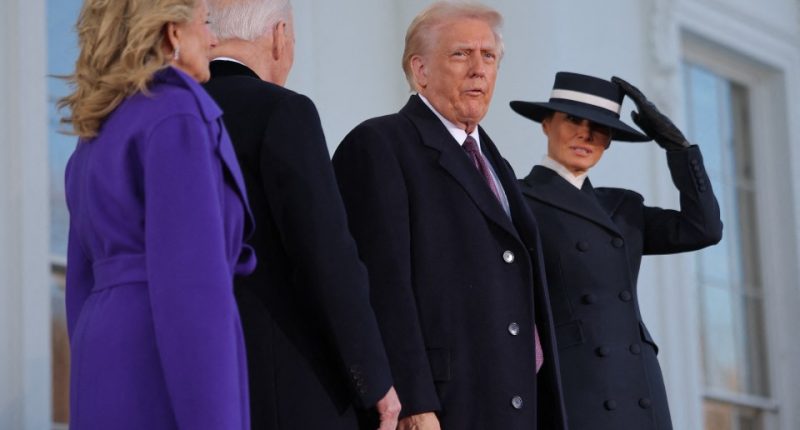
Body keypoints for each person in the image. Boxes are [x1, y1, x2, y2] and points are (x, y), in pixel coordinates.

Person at [332, 2, 567, 429]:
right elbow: (382, 285)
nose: (479, 69)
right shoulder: (381, 144)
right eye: (461, 54)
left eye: (489, 56)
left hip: (514, 405)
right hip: (443, 407)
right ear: (420, 70)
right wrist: (413, 399)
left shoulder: (496, 163)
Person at [201, 1, 401, 429]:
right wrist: (375, 381)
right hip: (286, 387)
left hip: (192, 378)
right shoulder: (282, 111)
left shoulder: (166, 115)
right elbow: (327, 256)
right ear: (279, 37)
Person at [59, 0, 256, 428]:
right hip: (160, 359)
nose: (213, 38)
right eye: (205, 23)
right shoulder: (177, 115)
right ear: (172, 34)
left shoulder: (96, 135)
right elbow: (194, 291)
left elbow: (79, 285)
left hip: (102, 361)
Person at [511, 71, 723, 429]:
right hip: (572, 382)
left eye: (600, 126)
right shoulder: (515, 199)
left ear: (609, 140)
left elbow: (704, 229)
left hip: (637, 384)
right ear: (546, 123)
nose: (586, 133)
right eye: (573, 120)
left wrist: (677, 147)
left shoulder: (622, 208)